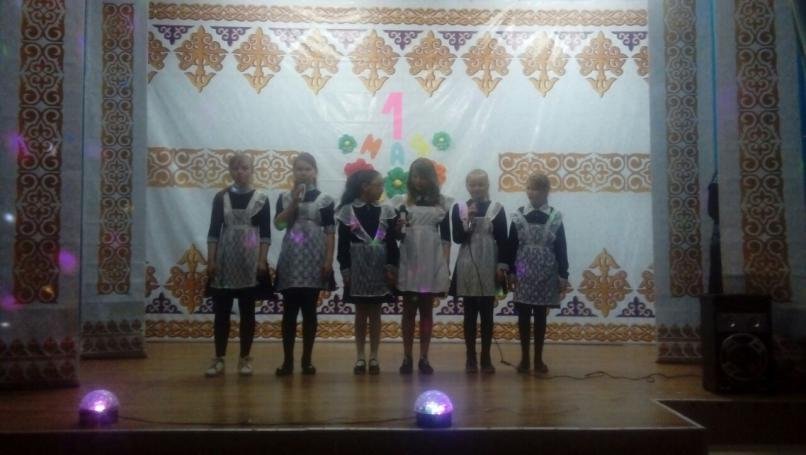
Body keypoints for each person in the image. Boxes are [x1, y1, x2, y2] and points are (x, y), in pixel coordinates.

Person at [205, 153, 272, 377]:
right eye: (235, 168)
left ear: (252, 170)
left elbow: (265, 234)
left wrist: (261, 260)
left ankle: (245, 358)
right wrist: (211, 260)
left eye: (244, 168)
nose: (240, 172)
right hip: (225, 258)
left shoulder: (261, 199)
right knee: (221, 313)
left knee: (247, 312)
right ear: (230, 171)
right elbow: (214, 231)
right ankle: (219, 358)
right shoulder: (221, 197)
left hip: (249, 257)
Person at [274, 152, 336, 376]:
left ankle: (306, 360)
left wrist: (328, 260)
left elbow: (330, 232)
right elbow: (279, 225)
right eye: (299, 169)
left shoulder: (325, 199)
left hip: (314, 259)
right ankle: (287, 361)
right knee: (289, 312)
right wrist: (294, 202)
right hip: (291, 259)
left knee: (310, 311)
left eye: (307, 169)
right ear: (293, 172)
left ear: (315, 172)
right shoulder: (284, 197)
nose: (303, 173)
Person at [391, 158, 452, 375]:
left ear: (431, 179)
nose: (419, 181)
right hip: (410, 259)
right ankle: (407, 356)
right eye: (415, 176)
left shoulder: (441, 203)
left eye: (423, 177)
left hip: (431, 260)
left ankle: (424, 357)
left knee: (426, 311)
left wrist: (445, 265)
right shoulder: (401, 202)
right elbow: (395, 236)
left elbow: (446, 238)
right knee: (408, 310)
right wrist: (398, 228)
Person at [336, 169, 398, 375]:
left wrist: (392, 267)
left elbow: (391, 243)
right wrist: (345, 269)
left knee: (376, 312)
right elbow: (343, 245)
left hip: (379, 266)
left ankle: (374, 355)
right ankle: (360, 355)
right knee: (361, 312)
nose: (381, 189)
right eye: (379, 185)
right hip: (358, 266)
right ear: (365, 187)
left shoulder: (386, 211)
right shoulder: (347, 211)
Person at [507, 173, 569, 374]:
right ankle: (525, 358)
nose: (531, 192)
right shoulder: (518, 215)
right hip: (523, 270)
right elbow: (511, 245)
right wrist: (511, 271)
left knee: (541, 315)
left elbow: (561, 247)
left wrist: (563, 273)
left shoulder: (555, 216)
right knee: (524, 315)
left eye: (536, 189)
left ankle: (538, 359)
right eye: (529, 188)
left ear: (546, 191)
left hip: (546, 270)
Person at [450, 169, 507, 374]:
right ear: (467, 186)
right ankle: (470, 357)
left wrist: (502, 266)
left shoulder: (496, 208)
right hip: (467, 263)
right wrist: (468, 220)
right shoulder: (460, 208)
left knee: (487, 313)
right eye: (473, 184)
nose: (477, 188)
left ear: (487, 186)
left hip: (489, 263)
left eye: (481, 184)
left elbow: (503, 239)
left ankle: (486, 356)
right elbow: (457, 238)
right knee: (469, 313)